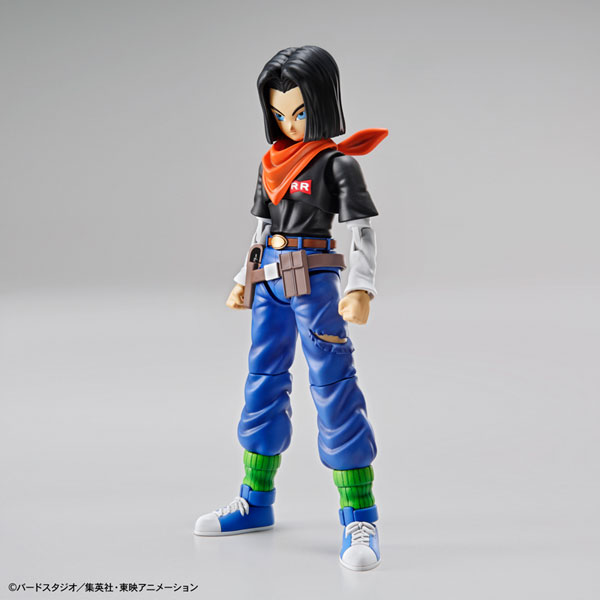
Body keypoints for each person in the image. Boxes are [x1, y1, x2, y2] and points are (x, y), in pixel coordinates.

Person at [194, 46, 387, 571]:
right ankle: (255, 500)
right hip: (270, 280)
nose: (289, 122)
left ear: (321, 105)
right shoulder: (270, 164)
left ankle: (359, 516)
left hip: (314, 280)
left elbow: (362, 231)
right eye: (279, 113)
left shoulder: (337, 164)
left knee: (333, 386)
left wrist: (361, 287)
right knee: (263, 382)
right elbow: (262, 229)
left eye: (299, 111)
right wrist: (243, 278)